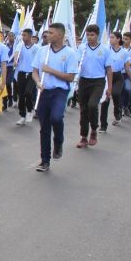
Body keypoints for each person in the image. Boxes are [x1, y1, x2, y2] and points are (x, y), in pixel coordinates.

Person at [32, 23, 79, 172]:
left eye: (51, 33)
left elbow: (71, 77)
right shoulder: (42, 51)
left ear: (60, 35)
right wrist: (38, 81)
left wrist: (51, 70)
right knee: (44, 126)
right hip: (45, 91)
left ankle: (58, 141)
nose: (47, 35)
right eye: (47, 33)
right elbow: (34, 71)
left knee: (56, 118)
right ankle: (45, 160)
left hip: (60, 91)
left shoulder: (70, 53)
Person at [75, 25, 112, 148]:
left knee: (92, 105)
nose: (90, 37)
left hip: (98, 81)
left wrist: (109, 87)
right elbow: (77, 64)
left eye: (92, 35)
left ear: (97, 35)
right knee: (83, 109)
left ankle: (94, 130)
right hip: (84, 81)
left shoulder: (105, 49)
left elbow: (108, 69)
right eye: (88, 35)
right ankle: (84, 136)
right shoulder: (82, 48)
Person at [100, 32, 128, 130]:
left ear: (118, 39)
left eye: (112, 37)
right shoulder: (106, 50)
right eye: (110, 37)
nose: (110, 39)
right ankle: (103, 125)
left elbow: (126, 66)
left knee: (116, 93)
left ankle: (117, 112)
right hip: (107, 76)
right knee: (105, 100)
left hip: (118, 76)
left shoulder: (124, 52)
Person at [15, 29, 37, 125]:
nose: (23, 37)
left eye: (24, 35)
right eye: (22, 35)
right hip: (21, 73)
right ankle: (22, 115)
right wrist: (15, 60)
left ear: (30, 36)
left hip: (32, 73)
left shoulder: (36, 48)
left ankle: (30, 110)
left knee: (28, 92)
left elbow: (38, 61)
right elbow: (16, 54)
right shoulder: (20, 45)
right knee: (21, 94)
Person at [3, 31, 16, 110]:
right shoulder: (4, 45)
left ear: (14, 37)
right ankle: (4, 102)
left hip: (12, 67)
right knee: (3, 84)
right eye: (9, 36)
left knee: (8, 82)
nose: (10, 37)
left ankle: (10, 97)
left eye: (12, 36)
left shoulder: (17, 45)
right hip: (4, 66)